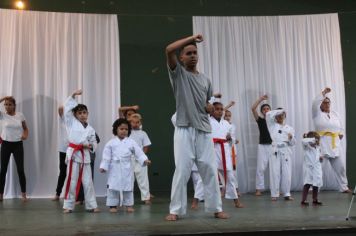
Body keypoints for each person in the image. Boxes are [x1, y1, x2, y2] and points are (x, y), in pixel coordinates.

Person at [165, 34, 228, 221]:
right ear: (182, 58)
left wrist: (210, 108)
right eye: (188, 53)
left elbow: (208, 104)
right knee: (182, 170)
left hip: (204, 130)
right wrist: (192, 38)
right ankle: (175, 210)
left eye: (195, 53)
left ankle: (216, 208)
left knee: (209, 168)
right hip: (184, 128)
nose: (192, 55)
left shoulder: (206, 80)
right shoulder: (178, 74)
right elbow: (169, 49)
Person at [99, 118, 151, 213]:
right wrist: (104, 166)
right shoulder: (110, 143)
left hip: (127, 166)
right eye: (121, 129)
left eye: (126, 129)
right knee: (113, 186)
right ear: (116, 129)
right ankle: (112, 205)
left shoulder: (131, 142)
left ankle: (128, 205)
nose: (124, 131)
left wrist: (144, 159)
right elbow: (106, 156)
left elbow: (139, 152)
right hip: (114, 167)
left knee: (128, 186)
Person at [62, 89, 99, 213]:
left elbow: (94, 142)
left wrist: (90, 146)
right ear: (75, 114)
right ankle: (68, 205)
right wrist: (73, 95)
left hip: (86, 156)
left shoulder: (90, 128)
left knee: (88, 182)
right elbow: (67, 109)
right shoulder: (71, 122)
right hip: (74, 155)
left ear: (87, 113)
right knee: (72, 181)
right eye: (80, 113)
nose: (82, 115)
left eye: (84, 112)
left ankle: (92, 205)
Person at [312, 87, 351, 193]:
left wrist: (341, 133)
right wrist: (323, 93)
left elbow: (341, 126)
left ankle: (344, 187)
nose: (327, 104)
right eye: (324, 102)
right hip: (321, 143)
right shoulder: (317, 114)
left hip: (334, 144)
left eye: (328, 102)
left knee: (340, 166)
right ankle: (315, 187)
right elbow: (315, 103)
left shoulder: (335, 114)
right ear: (321, 104)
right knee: (317, 166)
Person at [211, 102, 243, 208]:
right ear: (212, 110)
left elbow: (232, 139)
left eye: (221, 109)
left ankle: (236, 200)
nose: (220, 111)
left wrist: (230, 138)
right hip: (212, 150)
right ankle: (196, 200)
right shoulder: (207, 121)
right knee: (210, 176)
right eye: (217, 109)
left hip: (224, 151)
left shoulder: (226, 124)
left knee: (230, 176)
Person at [0, 96, 29, 202]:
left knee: (20, 170)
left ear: (14, 106)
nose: (7, 107)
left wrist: (25, 135)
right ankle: (1, 194)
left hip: (18, 145)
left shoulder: (20, 115)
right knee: (3, 170)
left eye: (9, 104)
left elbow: (25, 128)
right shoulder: (2, 115)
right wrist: (4, 98)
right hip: (6, 144)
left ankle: (24, 194)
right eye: (6, 104)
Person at [266, 108, 295, 201]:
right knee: (275, 172)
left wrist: (291, 138)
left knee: (287, 172)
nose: (280, 116)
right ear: (275, 116)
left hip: (286, 150)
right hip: (275, 150)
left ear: (285, 116)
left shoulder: (290, 128)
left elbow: (293, 143)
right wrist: (281, 110)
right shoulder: (272, 125)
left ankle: (287, 193)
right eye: (278, 114)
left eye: (282, 114)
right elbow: (268, 114)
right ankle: (274, 194)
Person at [129, 113, 152, 204]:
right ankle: (127, 199)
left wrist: (142, 155)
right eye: (133, 122)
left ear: (140, 122)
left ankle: (146, 198)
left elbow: (146, 146)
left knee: (143, 179)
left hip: (141, 159)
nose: (135, 124)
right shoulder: (127, 133)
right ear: (130, 122)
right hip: (129, 158)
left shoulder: (143, 133)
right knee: (129, 179)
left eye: (137, 122)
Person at [251, 95, 272, 196]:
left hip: (273, 146)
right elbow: (253, 108)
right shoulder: (260, 120)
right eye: (264, 109)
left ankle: (276, 189)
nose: (266, 110)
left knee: (275, 168)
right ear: (262, 111)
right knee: (261, 168)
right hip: (263, 146)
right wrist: (260, 99)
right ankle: (258, 188)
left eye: (268, 108)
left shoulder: (275, 121)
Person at [301, 132, 323, 206]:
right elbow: (303, 141)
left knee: (316, 185)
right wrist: (311, 139)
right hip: (309, 169)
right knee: (307, 184)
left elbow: (319, 158)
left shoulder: (318, 148)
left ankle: (315, 199)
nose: (316, 142)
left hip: (316, 169)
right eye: (315, 140)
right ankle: (303, 200)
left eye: (317, 140)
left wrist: (321, 159)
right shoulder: (306, 147)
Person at [52, 106, 69, 201]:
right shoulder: (64, 119)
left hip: (74, 150)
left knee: (75, 173)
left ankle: (76, 196)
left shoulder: (77, 122)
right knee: (63, 172)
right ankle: (58, 194)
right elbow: (60, 108)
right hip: (63, 150)